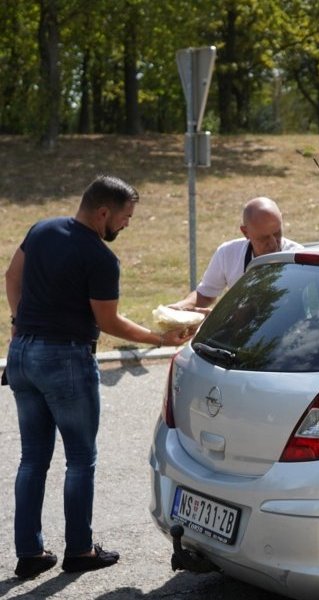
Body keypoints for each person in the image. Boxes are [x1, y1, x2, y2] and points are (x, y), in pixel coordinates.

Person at [5, 175, 196, 579]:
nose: (126, 224)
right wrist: (158, 337)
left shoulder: (41, 229)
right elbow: (107, 321)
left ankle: (29, 553)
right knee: (80, 459)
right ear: (104, 212)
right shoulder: (100, 257)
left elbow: (11, 276)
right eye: (125, 217)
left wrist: (18, 324)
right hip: (66, 359)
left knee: (33, 458)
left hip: (21, 355)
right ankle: (80, 549)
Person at [170, 196, 301, 312]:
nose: (273, 243)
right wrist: (183, 307)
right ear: (245, 232)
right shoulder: (228, 253)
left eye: (277, 233)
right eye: (264, 238)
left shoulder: (298, 257)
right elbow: (205, 294)